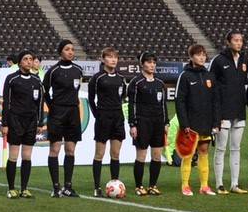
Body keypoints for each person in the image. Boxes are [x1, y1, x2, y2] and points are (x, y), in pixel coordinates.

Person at [209, 31, 248, 194]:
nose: (239, 43)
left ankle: (235, 184)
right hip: (223, 112)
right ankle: (219, 184)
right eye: (235, 40)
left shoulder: (244, 59)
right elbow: (211, 87)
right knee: (220, 149)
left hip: (239, 111)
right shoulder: (218, 61)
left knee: (236, 148)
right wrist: (215, 115)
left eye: (241, 40)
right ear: (228, 42)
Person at [40, 39, 82, 197]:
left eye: (72, 49)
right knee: (55, 149)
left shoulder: (78, 70)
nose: (70, 52)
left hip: (73, 113)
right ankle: (56, 187)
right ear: (60, 52)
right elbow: (45, 92)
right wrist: (54, 107)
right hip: (57, 114)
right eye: (67, 49)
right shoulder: (53, 71)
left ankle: (68, 187)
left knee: (70, 150)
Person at [173, 43, 215, 196]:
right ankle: (185, 185)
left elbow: (215, 101)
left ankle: (204, 186)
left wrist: (215, 122)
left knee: (204, 152)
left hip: (206, 122)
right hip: (190, 124)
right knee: (188, 154)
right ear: (191, 57)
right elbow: (179, 101)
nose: (202, 57)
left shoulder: (209, 75)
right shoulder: (185, 76)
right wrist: (184, 124)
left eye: (204, 54)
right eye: (198, 54)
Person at [1, 49, 43, 199]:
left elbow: (40, 103)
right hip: (15, 121)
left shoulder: (37, 80)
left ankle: (24, 188)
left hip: (31, 122)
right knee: (13, 155)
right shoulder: (12, 79)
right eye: (25, 59)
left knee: (27, 156)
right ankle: (11, 188)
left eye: (31, 59)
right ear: (20, 62)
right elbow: (6, 103)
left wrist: (40, 122)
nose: (29, 61)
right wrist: (5, 123)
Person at [127, 52, 169, 196]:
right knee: (141, 156)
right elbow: (131, 105)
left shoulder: (160, 83)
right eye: (149, 62)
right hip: (142, 122)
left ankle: (152, 185)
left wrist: (166, 123)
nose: (152, 65)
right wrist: (132, 124)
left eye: (154, 62)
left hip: (158, 123)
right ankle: (139, 186)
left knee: (157, 156)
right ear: (142, 64)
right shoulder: (136, 83)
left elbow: (163, 105)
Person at [88, 47, 127, 195]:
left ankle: (115, 184)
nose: (113, 60)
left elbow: (122, 96)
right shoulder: (97, 78)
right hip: (103, 117)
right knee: (99, 153)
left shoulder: (121, 78)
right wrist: (97, 114)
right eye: (110, 57)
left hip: (118, 117)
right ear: (103, 59)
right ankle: (97, 187)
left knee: (115, 154)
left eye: (115, 57)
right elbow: (91, 99)